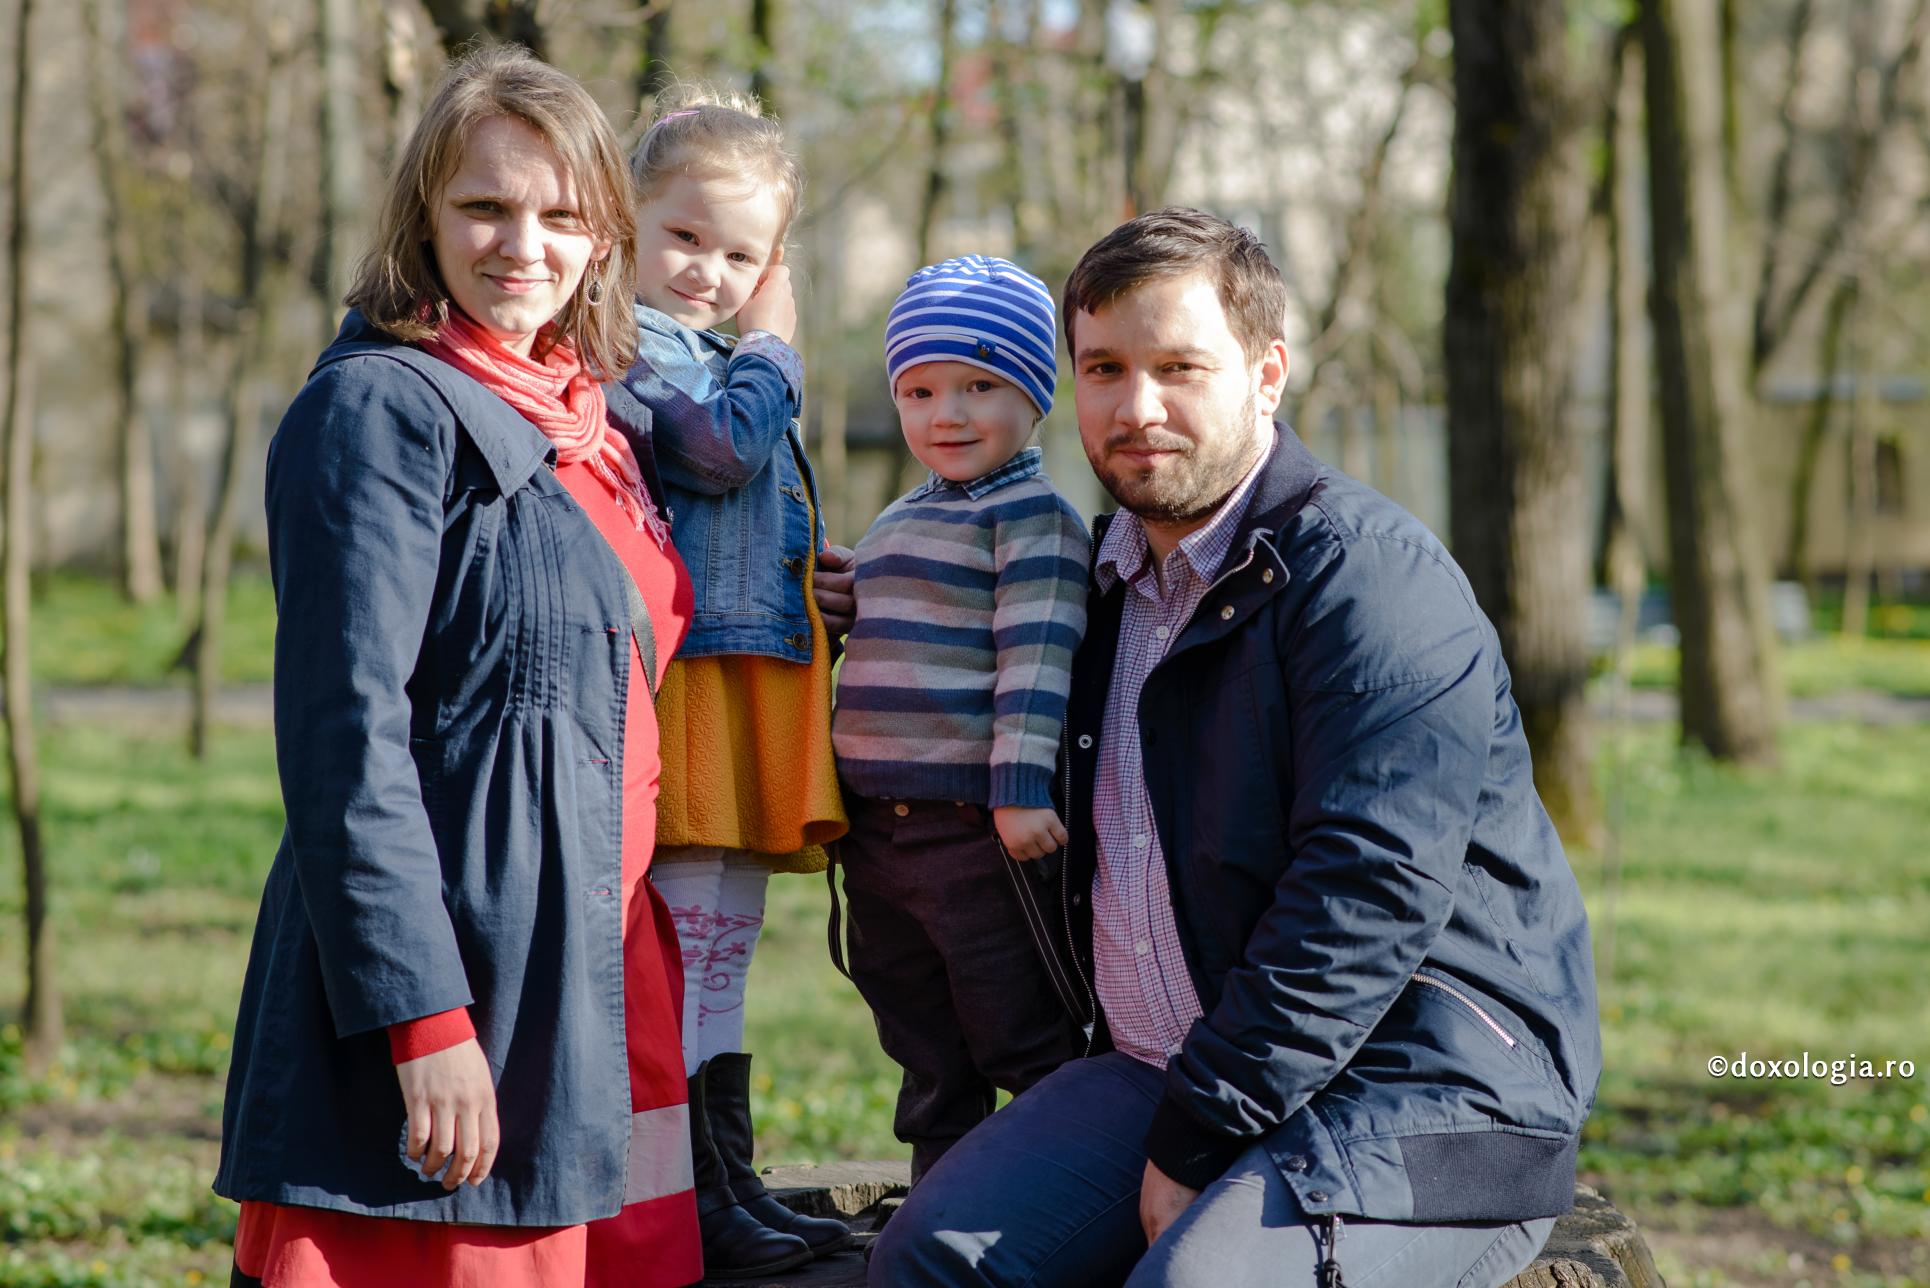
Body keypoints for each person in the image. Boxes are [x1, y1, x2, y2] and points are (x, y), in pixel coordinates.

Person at [863, 209, 1602, 1287]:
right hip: (1159, 1067)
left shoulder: (1368, 582)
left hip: (1419, 1090)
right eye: (1105, 368)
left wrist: (1201, 1131)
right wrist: (855, 593)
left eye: (1179, 366)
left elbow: (1363, 896)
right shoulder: (1094, 588)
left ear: (1267, 376)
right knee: (928, 1262)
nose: (1137, 406)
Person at [214, 46, 702, 1288]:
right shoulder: (380, 408)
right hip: (462, 995)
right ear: (422, 216)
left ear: (605, 232)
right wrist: (423, 1020)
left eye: (560, 213)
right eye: (484, 205)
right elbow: (345, 739)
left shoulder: (594, 423)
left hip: (598, 976)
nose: (521, 245)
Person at [618, 86, 852, 1279]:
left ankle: (729, 1179)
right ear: (627, 223)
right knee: (687, 936)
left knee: (725, 943)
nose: (708, 270)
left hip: (753, 669)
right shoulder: (639, 346)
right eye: (686, 239)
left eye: (741, 254)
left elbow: (757, 511)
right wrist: (775, 342)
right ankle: (694, 1198)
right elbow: (718, 456)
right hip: (694, 683)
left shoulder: (705, 350)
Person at [830, 255, 1089, 1185]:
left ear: (1032, 399)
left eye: (981, 386)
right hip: (876, 833)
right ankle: (942, 1187)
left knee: (1011, 1014)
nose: (948, 413)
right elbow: (895, 615)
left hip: (973, 832)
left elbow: (1037, 657)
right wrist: (842, 591)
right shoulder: (903, 513)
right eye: (921, 389)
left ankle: (1046, 1188)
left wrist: (1018, 791)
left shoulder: (1033, 519)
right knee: (916, 1019)